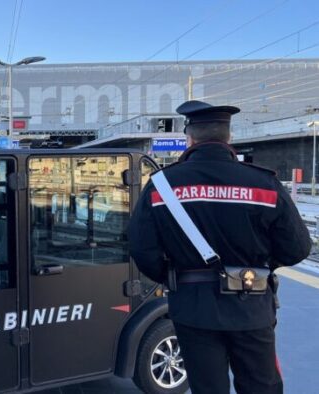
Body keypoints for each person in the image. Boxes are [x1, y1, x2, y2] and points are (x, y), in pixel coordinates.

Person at [129, 100, 311, 394]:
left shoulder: (162, 185)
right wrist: (258, 269)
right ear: (229, 137)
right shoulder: (264, 184)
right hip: (252, 307)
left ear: (190, 138)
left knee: (207, 388)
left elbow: (141, 248)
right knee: (261, 387)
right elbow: (298, 247)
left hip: (193, 307)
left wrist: (177, 277)